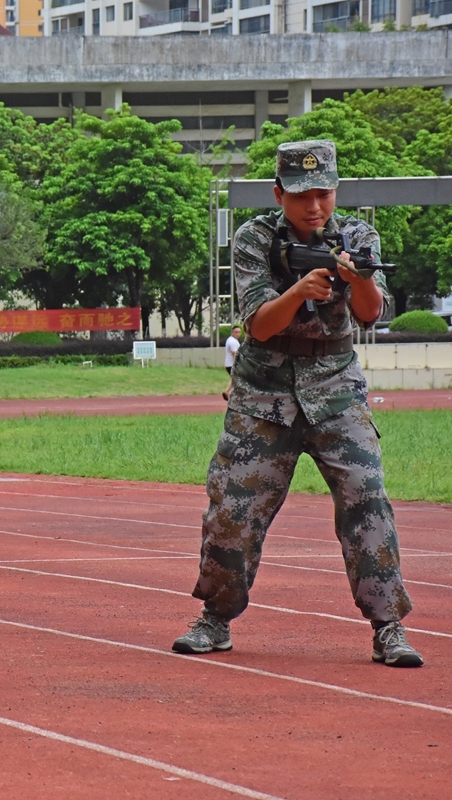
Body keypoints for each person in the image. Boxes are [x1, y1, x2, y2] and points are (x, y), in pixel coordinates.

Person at [173, 140, 422, 667]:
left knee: (367, 499)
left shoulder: (357, 236)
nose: (314, 206)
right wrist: (299, 290)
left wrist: (358, 280)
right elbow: (259, 323)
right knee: (234, 508)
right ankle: (215, 619)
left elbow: (371, 314)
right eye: (302, 194)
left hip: (335, 388)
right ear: (278, 193)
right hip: (263, 393)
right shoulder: (253, 238)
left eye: (324, 193)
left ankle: (388, 628)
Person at [221, 324, 241, 401]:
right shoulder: (232, 341)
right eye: (236, 332)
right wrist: (239, 363)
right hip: (232, 364)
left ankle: (227, 392)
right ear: (232, 332)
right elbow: (234, 353)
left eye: (239, 332)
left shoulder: (232, 340)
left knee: (236, 379)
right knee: (238, 379)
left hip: (230, 364)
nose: (238, 334)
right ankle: (232, 394)